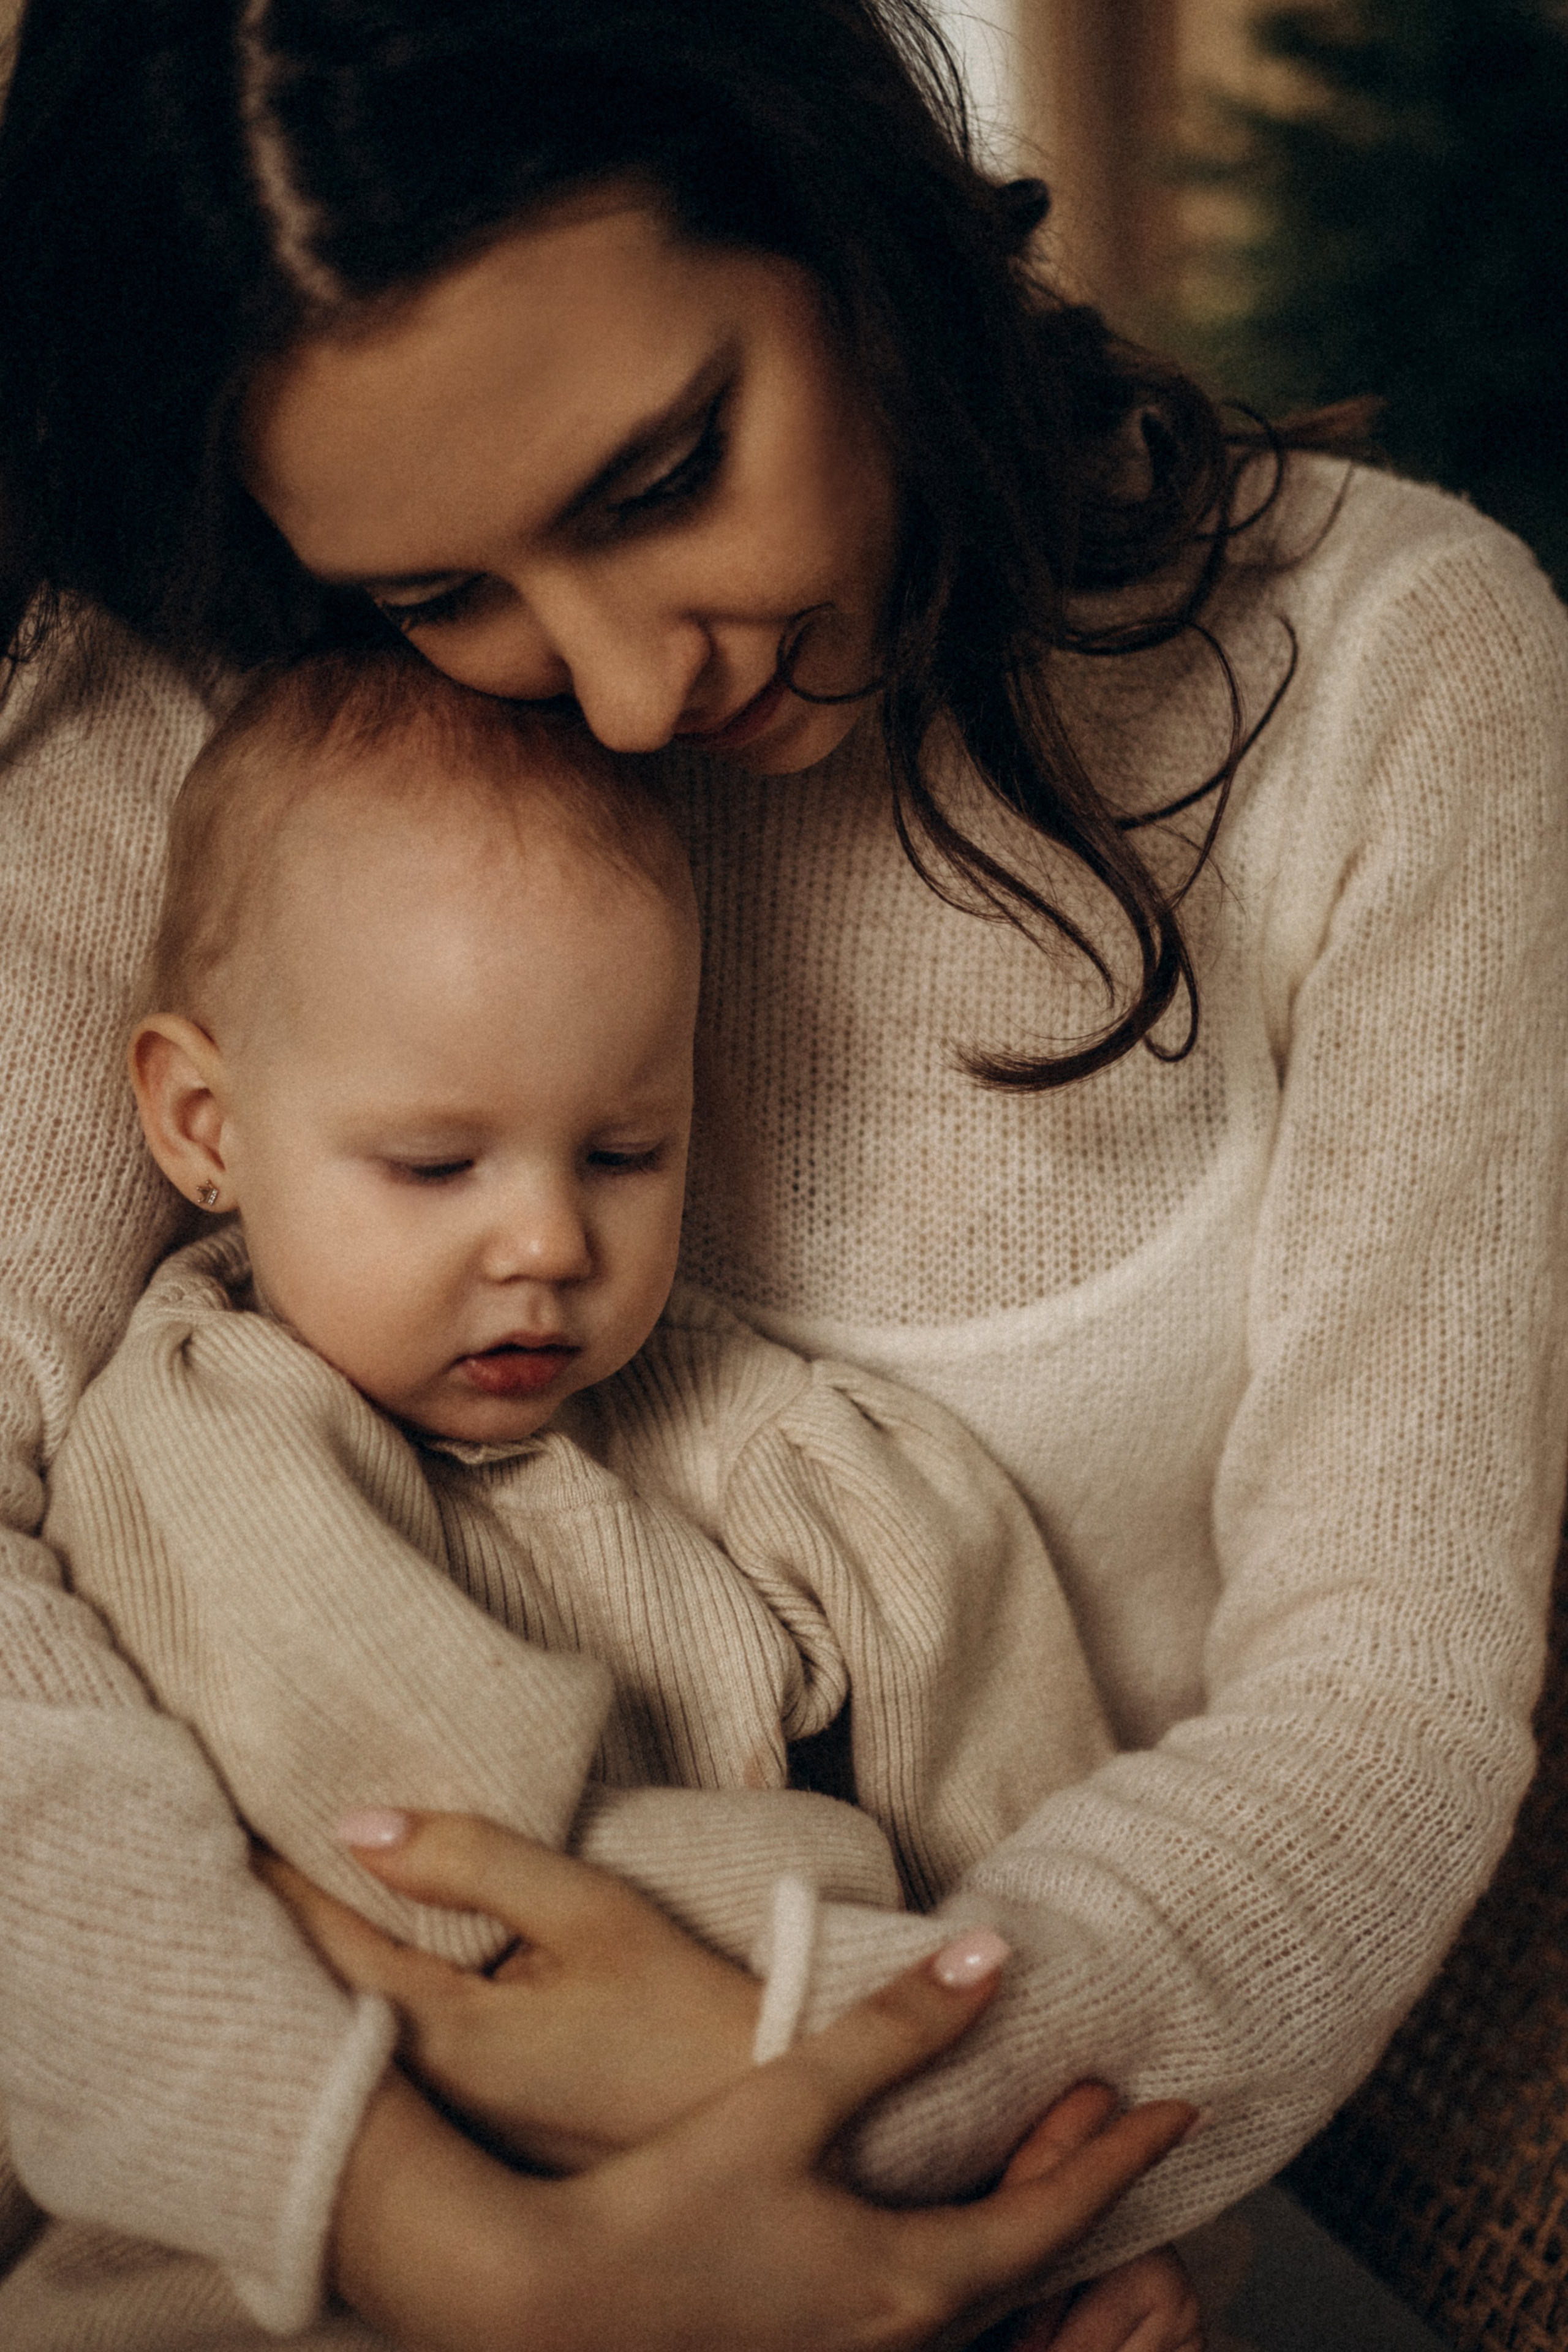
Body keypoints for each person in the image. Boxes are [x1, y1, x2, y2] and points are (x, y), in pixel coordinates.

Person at [0, 0, 1564, 2347]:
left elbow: (1393, 1695)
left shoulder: (1402, 689)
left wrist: (835, 2090)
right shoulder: (218, 703)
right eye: (448, 597)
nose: (624, 694)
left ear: (835, 201)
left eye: (658, 477)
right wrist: (453, 2242)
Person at [25, 641, 1202, 2346]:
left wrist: (1060, 2198)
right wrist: (827, 1948)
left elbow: (1034, 1839)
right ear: (206, 1121)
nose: (550, 1245)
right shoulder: (203, 1427)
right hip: (288, 2261)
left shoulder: (781, 1447)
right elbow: (446, 1880)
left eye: (623, 1152)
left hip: (783, 2212)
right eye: (436, 1165)